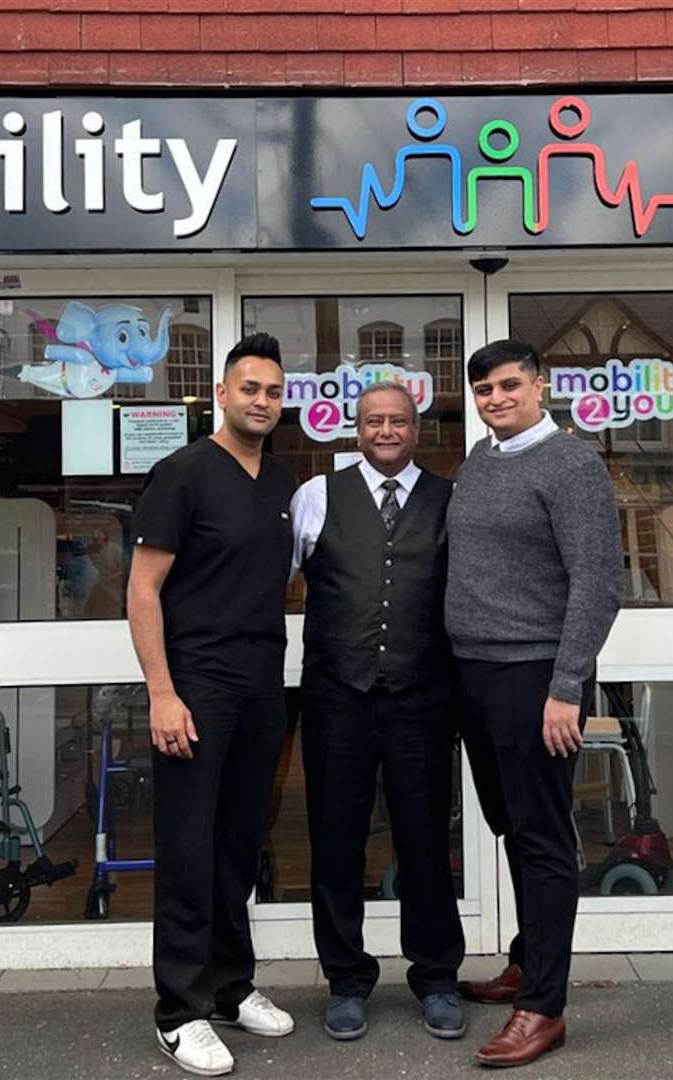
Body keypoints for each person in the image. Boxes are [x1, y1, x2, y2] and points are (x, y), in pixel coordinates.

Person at [446, 339, 623, 1069]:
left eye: (509, 384)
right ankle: (527, 959)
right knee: (511, 825)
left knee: (544, 838)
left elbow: (597, 583)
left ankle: (543, 1007)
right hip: (474, 674)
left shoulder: (572, 465)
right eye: (484, 389)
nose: (496, 398)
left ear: (539, 385)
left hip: (534, 678)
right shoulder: (479, 462)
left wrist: (565, 687)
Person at [127, 333, 298, 1077]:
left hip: (264, 682)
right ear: (221, 395)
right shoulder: (184, 473)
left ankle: (231, 986)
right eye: (249, 388)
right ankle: (179, 1011)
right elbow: (141, 592)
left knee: (238, 843)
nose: (262, 400)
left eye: (273, 390)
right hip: (197, 683)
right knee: (191, 846)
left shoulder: (283, 481)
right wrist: (162, 694)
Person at [290, 382, 466, 1043]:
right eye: (373, 421)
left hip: (423, 698)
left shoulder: (450, 501)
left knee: (424, 841)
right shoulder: (315, 497)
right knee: (335, 841)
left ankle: (437, 978)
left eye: (397, 421)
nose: (385, 430)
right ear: (354, 428)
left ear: (417, 430)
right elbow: (267, 580)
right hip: (338, 699)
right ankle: (345, 979)